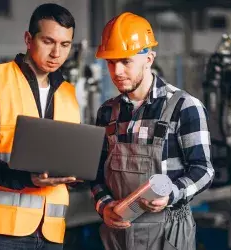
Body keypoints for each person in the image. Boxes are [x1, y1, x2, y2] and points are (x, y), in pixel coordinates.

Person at [91, 12, 215, 250]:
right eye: (110, 61)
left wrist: (172, 194)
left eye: (125, 61)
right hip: (118, 236)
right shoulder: (107, 113)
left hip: (168, 234)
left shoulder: (183, 106)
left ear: (149, 58)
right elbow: (97, 175)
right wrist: (104, 206)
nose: (116, 71)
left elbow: (204, 170)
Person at [0, 3, 80, 250]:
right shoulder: (0, 81)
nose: (57, 53)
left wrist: (77, 174)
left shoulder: (69, 94)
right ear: (28, 39)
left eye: (65, 45)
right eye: (48, 41)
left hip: (51, 231)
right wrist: (24, 178)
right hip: (4, 230)